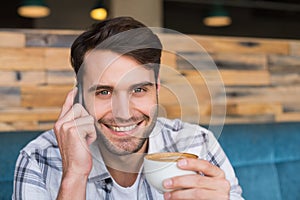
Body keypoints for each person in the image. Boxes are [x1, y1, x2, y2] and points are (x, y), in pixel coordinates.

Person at [13, 16, 243, 200]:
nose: (123, 113)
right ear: (78, 96)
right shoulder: (38, 159)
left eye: (139, 90)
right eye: (104, 92)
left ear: (157, 87)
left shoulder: (199, 143)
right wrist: (74, 176)